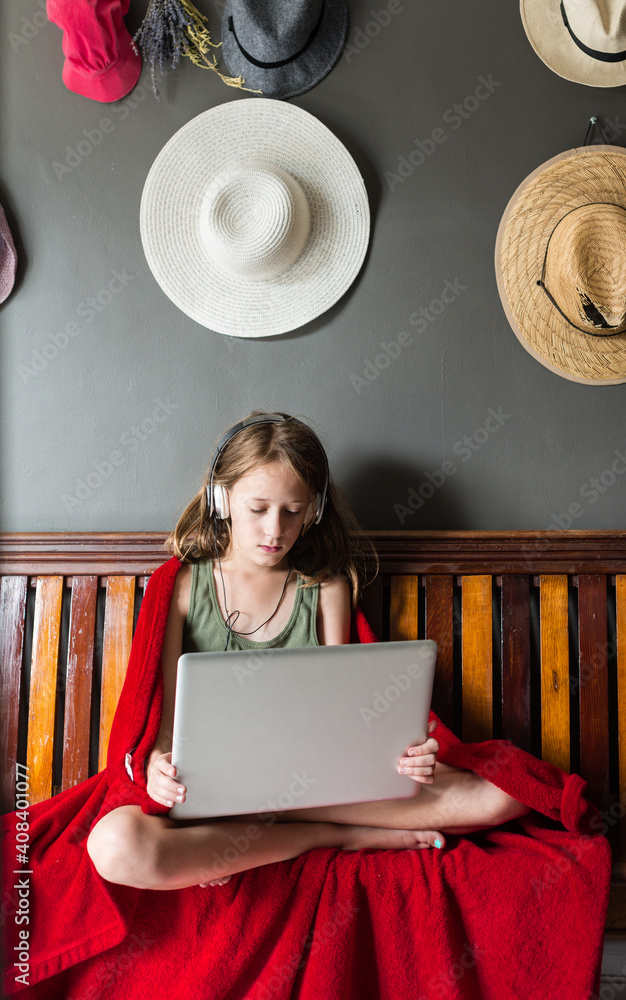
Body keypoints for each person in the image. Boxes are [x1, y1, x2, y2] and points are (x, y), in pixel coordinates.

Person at [87, 411, 530, 891]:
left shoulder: (326, 589)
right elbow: (160, 723)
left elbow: (349, 721)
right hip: (212, 788)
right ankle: (326, 837)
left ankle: (264, 836)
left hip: (303, 789)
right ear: (222, 498)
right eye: (258, 509)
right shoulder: (179, 587)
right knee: (116, 846)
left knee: (505, 797)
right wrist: (156, 766)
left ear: (314, 510)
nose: (274, 530)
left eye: (293, 511)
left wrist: (407, 753)